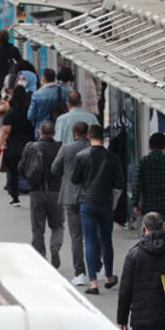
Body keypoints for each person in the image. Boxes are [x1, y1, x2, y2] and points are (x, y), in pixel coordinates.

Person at [71, 124, 123, 294]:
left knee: (90, 240)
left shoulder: (81, 156)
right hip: (105, 203)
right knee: (106, 240)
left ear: (88, 137)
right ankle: (108, 276)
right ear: (103, 137)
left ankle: (93, 282)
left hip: (87, 202)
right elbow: (119, 183)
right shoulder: (113, 157)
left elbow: (75, 179)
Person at [51, 121, 92, 286]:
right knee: (91, 235)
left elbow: (55, 168)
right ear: (87, 134)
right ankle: (98, 268)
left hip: (70, 196)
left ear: (74, 134)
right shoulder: (92, 149)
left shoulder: (66, 148)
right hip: (89, 196)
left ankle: (79, 272)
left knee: (76, 236)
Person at [19, 121, 64, 265]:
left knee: (37, 227)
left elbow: (21, 168)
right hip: (56, 191)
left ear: (40, 132)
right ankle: (55, 246)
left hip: (36, 191)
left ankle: (39, 258)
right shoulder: (60, 147)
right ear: (54, 133)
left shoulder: (31, 147)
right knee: (57, 225)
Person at [132, 132, 165, 223]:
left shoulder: (142, 163)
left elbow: (136, 186)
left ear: (150, 147)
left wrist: (135, 204)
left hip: (148, 209)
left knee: (149, 235)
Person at [0, 86, 34, 207]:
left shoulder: (11, 113)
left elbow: (5, 131)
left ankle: (15, 197)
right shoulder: (30, 112)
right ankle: (33, 193)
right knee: (30, 171)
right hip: (28, 144)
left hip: (13, 146)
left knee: (13, 172)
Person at [27, 68, 70, 134]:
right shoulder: (63, 91)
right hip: (58, 127)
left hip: (42, 129)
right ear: (54, 78)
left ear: (43, 78)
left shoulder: (37, 94)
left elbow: (30, 116)